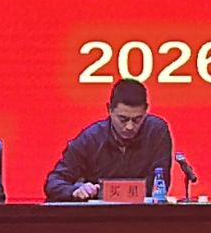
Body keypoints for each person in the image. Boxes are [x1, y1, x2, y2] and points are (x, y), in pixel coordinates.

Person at [44, 78, 174, 201]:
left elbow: (160, 183)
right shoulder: (91, 139)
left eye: (137, 120)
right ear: (109, 109)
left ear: (146, 111)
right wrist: (74, 191)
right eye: (123, 119)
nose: (129, 127)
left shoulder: (156, 132)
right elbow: (53, 182)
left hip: (144, 213)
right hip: (98, 214)